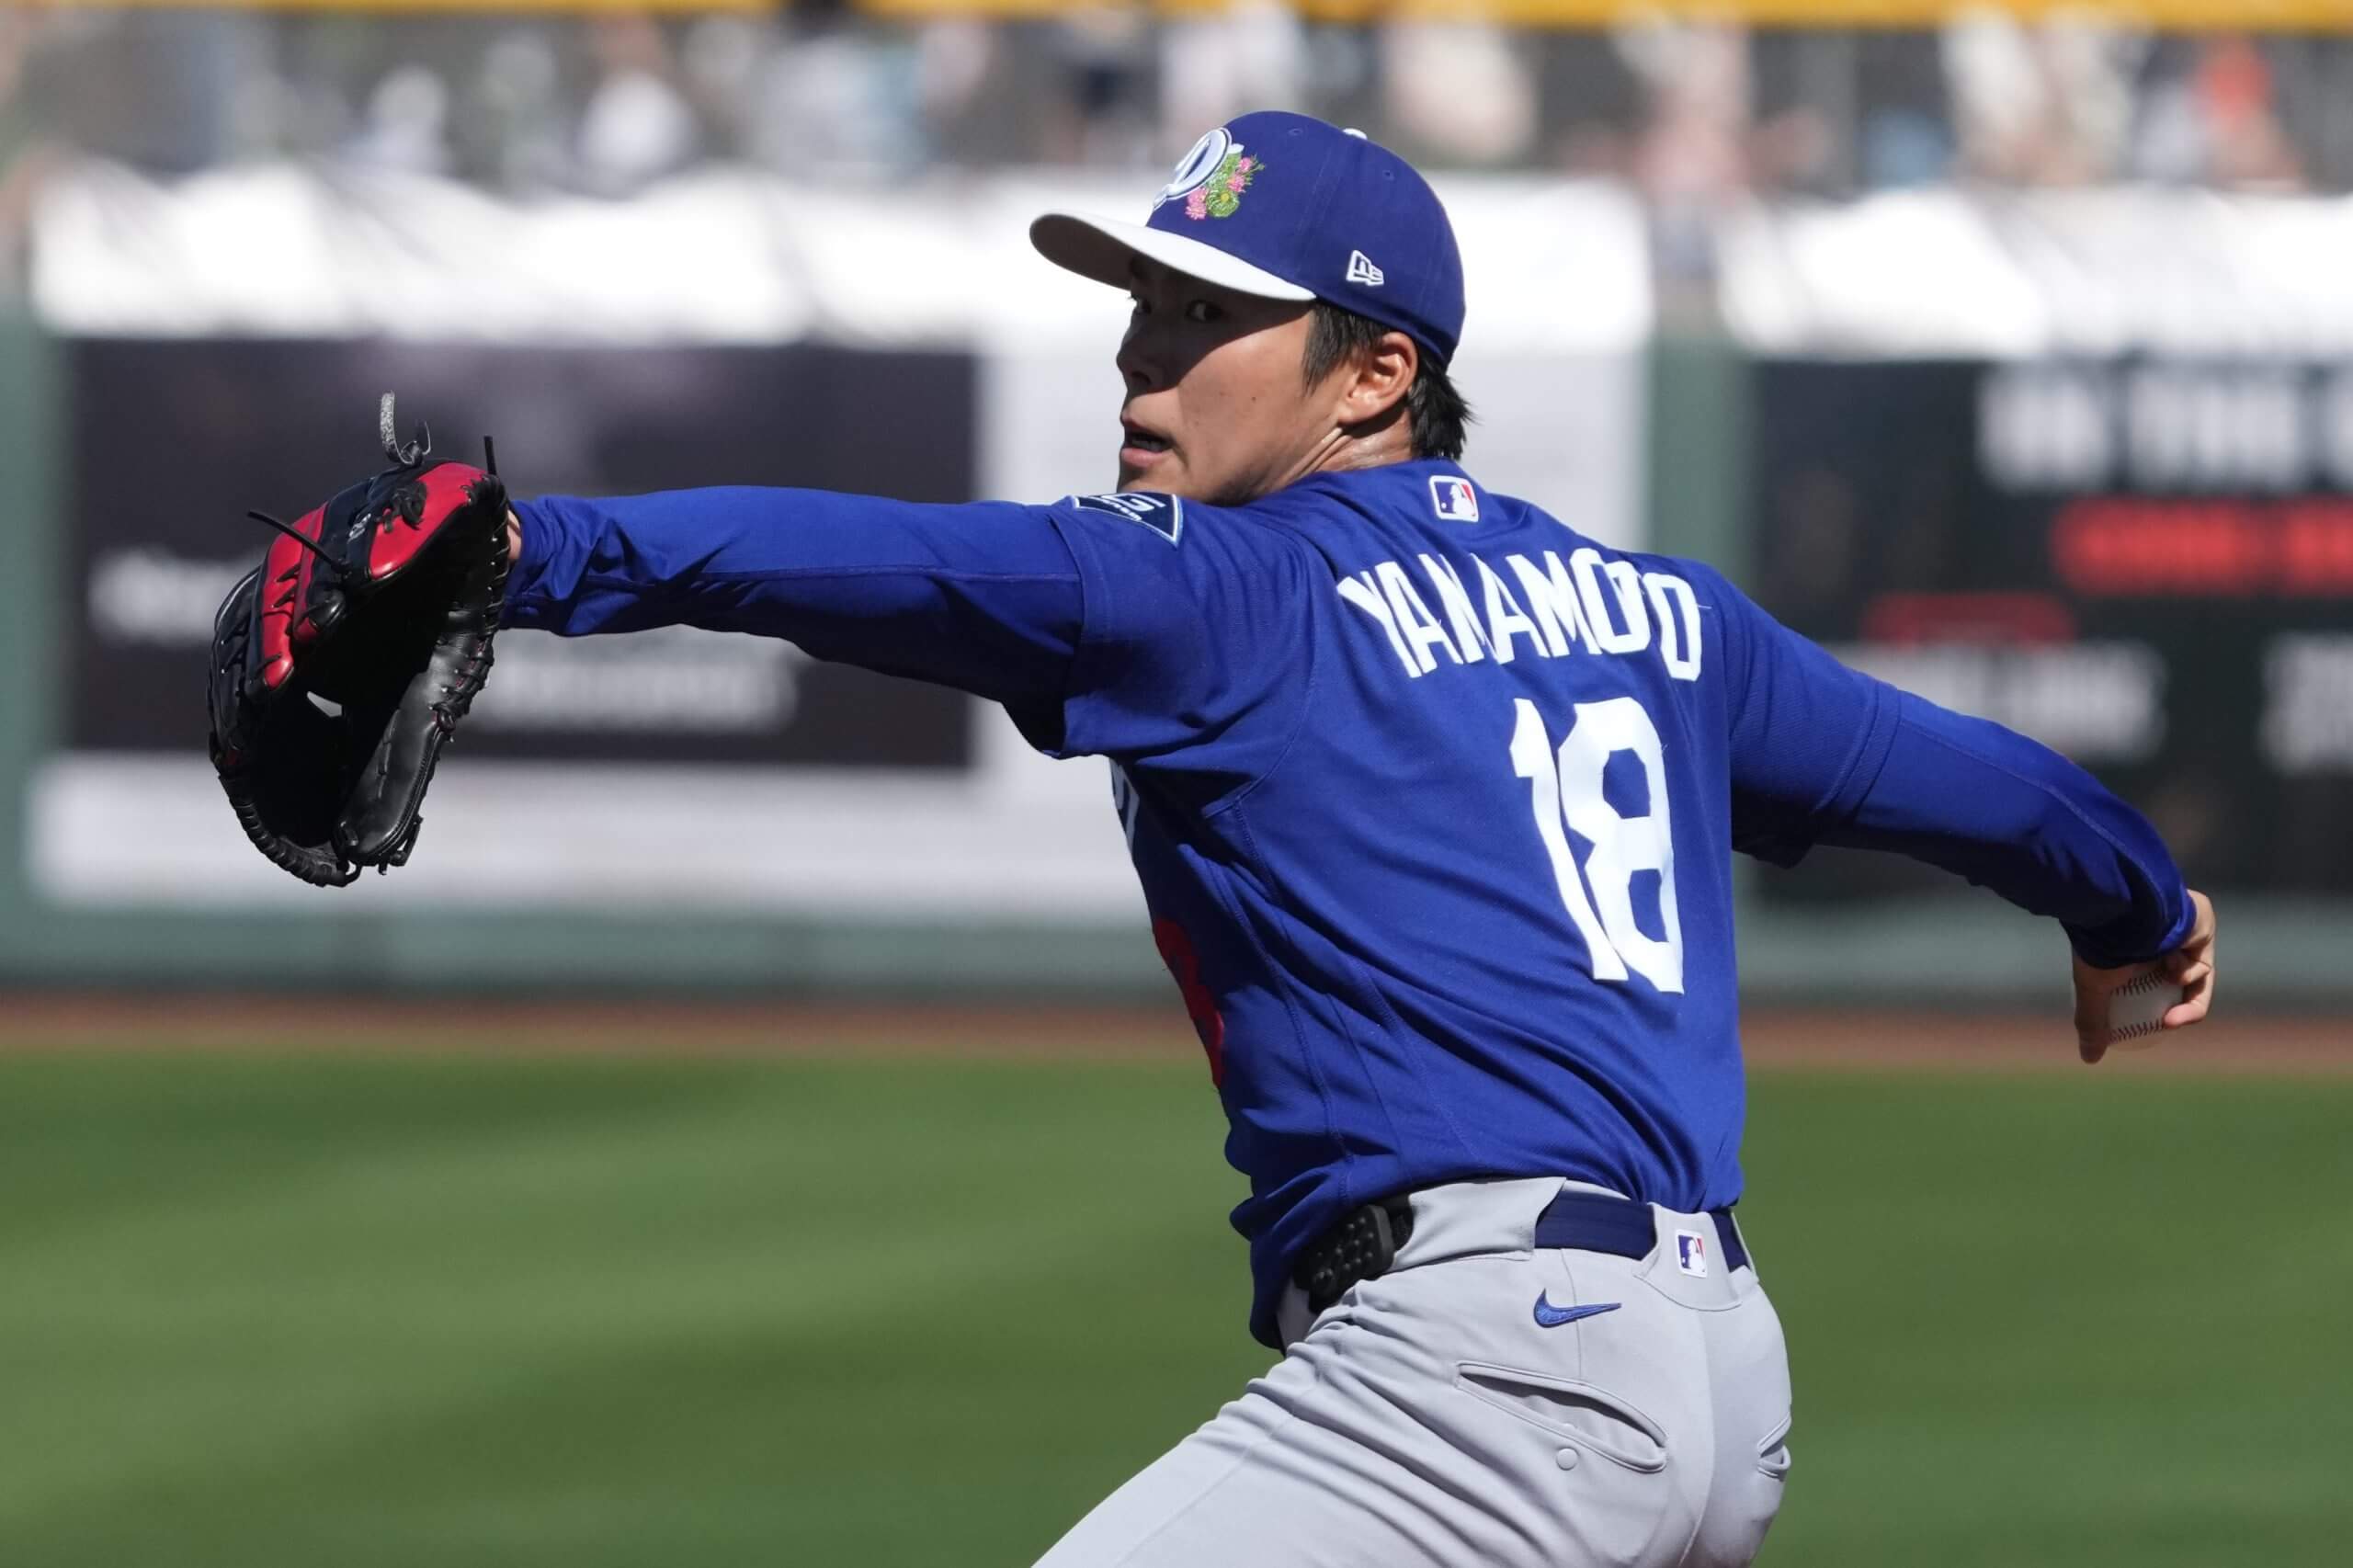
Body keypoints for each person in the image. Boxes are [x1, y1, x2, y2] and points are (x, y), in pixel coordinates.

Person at [493, 111, 2216, 1566]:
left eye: (1204, 312)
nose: (1139, 351)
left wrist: (531, 549)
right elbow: (1997, 788)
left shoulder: (1237, 589)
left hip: (1481, 1387)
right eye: (1142, 303)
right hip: (1719, 1383)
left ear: (1379, 371)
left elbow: (882, 563)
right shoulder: (1660, 615)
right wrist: (2137, 911)